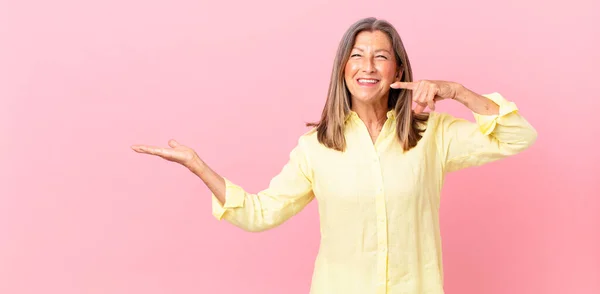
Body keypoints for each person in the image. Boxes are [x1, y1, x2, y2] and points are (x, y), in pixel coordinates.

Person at [131, 17, 537, 294]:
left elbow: (517, 137)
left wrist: (458, 92)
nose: (368, 66)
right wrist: (198, 166)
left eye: (381, 56)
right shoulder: (317, 148)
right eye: (357, 55)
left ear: (397, 69)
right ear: (343, 68)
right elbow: (258, 213)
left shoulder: (432, 135)